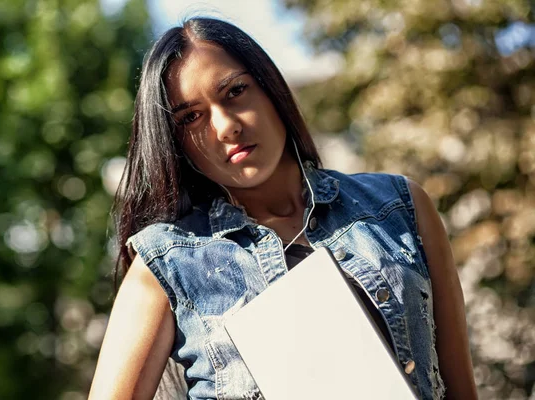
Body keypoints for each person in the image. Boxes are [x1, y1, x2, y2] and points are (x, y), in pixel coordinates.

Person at [88, 17, 478, 400]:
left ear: (271, 89)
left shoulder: (399, 205)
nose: (225, 126)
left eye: (235, 91)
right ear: (176, 143)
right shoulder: (165, 266)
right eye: (191, 117)